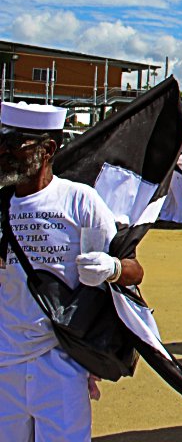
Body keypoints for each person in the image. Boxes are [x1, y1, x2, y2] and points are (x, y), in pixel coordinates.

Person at [0, 102, 144, 441]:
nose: (3, 154)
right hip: (5, 362)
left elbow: (134, 271)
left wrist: (111, 268)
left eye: (13, 145)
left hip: (61, 362)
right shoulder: (0, 205)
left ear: (48, 149)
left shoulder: (80, 202)